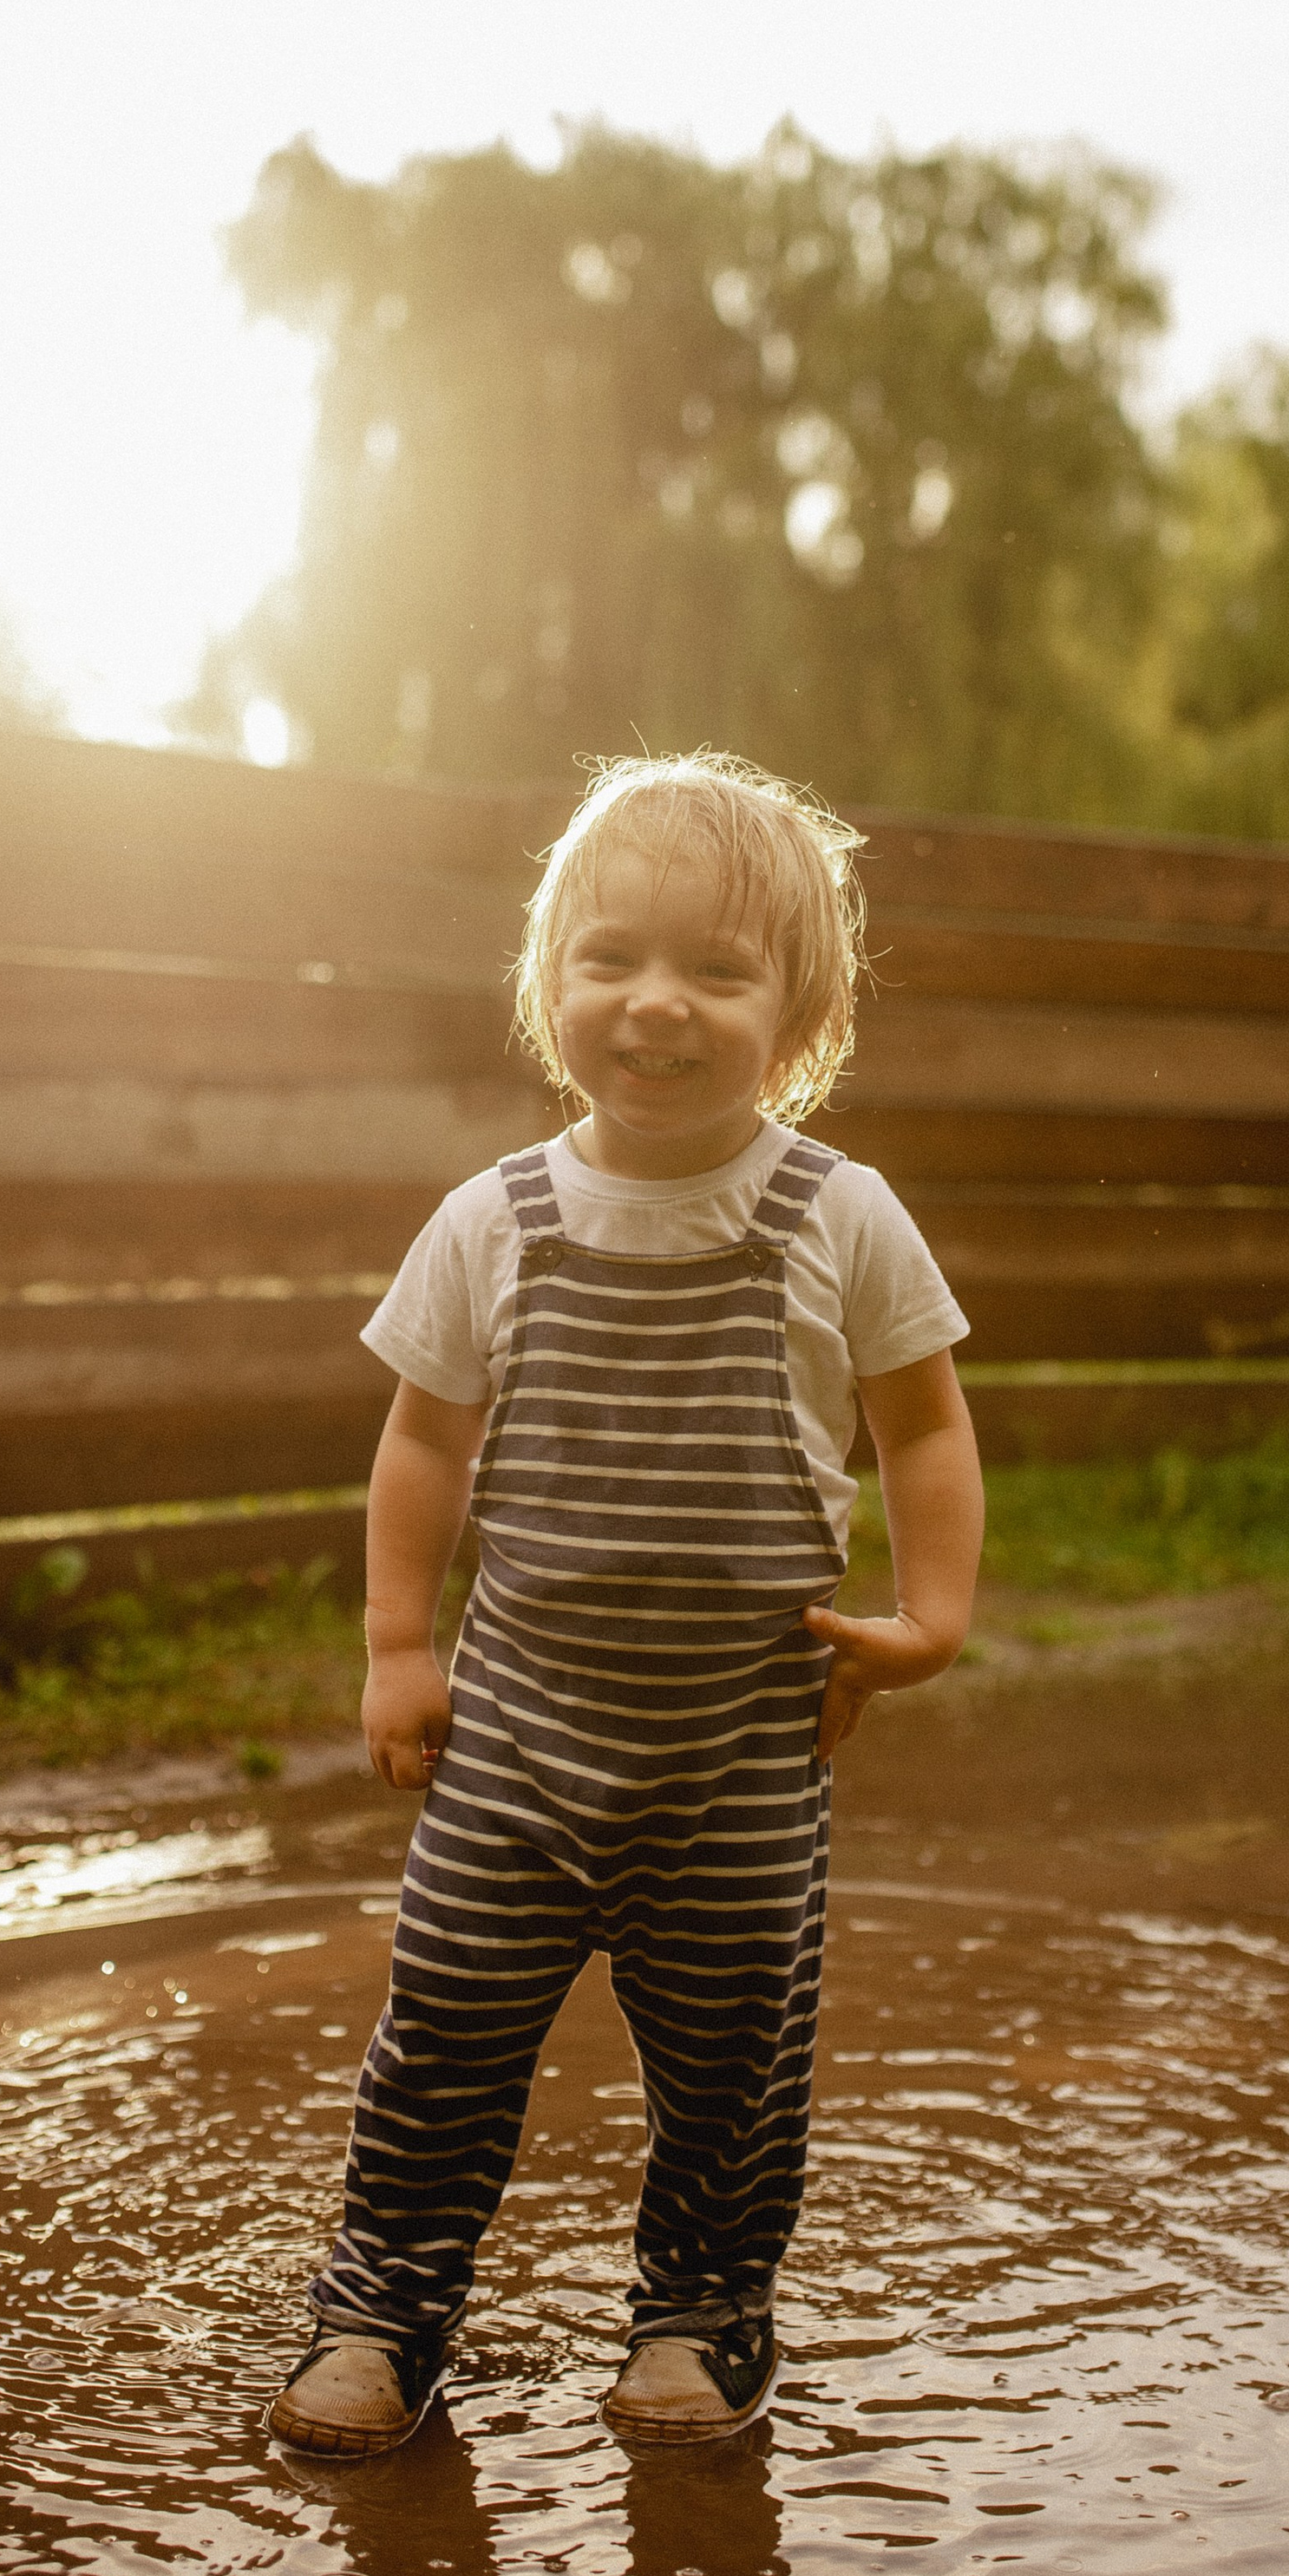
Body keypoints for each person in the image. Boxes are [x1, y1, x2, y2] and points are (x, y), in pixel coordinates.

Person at [266, 750, 985, 2457]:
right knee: (439, 2031)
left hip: (739, 1751)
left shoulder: (838, 1215)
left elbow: (926, 1425)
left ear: (795, 1013)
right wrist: (393, 1643)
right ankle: (381, 2311)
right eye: (610, 957)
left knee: (732, 2070)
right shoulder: (493, 1218)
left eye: (715, 971)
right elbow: (422, 1445)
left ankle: (699, 2314)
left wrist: (928, 1611)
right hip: (516, 1741)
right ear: (548, 985)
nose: (653, 1002)